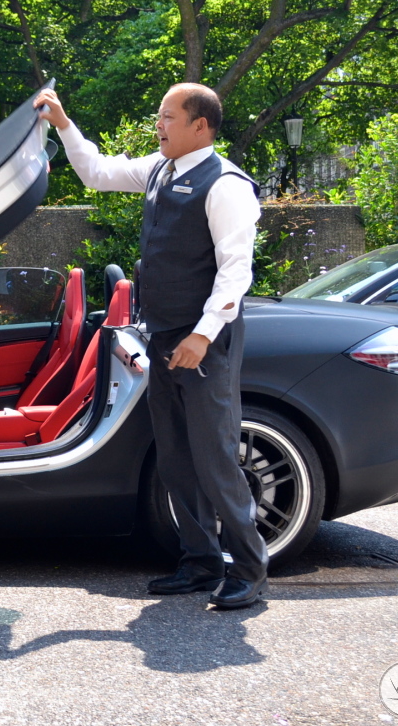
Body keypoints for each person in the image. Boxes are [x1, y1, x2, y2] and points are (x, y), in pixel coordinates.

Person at [34, 83, 267, 610]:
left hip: (202, 342)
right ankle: (201, 561)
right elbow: (96, 172)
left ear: (200, 126)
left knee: (215, 457)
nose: (158, 125)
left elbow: (235, 274)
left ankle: (250, 570)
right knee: (176, 456)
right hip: (162, 336)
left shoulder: (226, 185)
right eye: (158, 116)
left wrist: (202, 336)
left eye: (167, 117)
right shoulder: (161, 169)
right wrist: (64, 123)